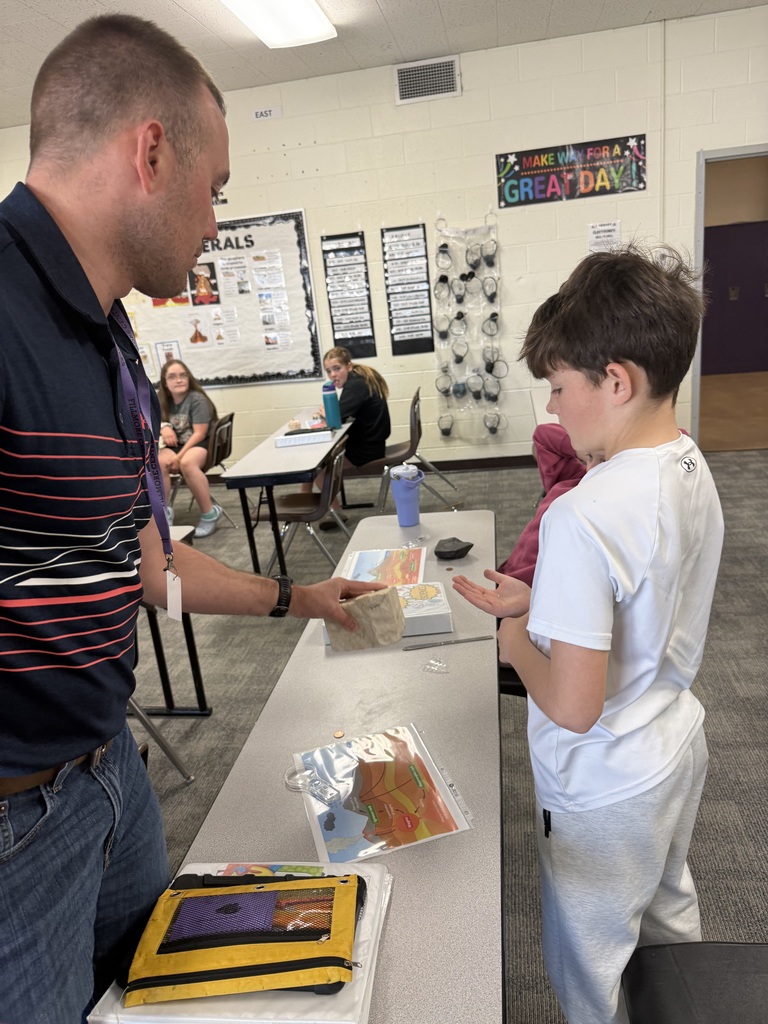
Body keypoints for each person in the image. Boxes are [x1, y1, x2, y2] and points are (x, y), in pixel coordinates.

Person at [0, 16, 381, 1024]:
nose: (215, 222)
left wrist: (303, 597)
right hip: (13, 831)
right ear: (151, 152)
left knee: (156, 1000)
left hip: (110, 775)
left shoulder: (113, 332)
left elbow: (149, 561)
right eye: (215, 190)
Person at [453, 245, 724, 1024]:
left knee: (590, 964)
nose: (551, 409)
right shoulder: (687, 462)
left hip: (603, 783)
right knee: (667, 920)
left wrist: (515, 639)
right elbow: (647, 587)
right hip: (672, 743)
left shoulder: (582, 513)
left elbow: (573, 708)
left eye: (558, 386)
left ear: (616, 381)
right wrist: (544, 598)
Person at [311, 346, 391, 529]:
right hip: (372, 442)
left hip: (367, 449)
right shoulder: (358, 379)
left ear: (349, 366)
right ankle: (324, 504)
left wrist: (327, 414)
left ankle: (335, 513)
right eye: (329, 371)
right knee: (322, 464)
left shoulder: (355, 385)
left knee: (318, 472)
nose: (333, 375)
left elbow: (336, 419)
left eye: (337, 368)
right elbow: (343, 413)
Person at [157, 359, 222, 537]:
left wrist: (178, 458)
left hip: (200, 443)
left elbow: (199, 434)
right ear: (165, 382)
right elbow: (151, 421)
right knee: (158, 463)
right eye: (172, 377)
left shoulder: (197, 399)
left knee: (187, 463)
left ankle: (210, 513)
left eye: (182, 375)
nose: (178, 380)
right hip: (177, 444)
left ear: (189, 378)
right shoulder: (162, 400)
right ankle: (164, 513)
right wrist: (164, 427)